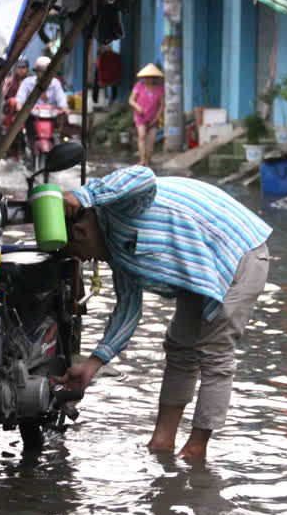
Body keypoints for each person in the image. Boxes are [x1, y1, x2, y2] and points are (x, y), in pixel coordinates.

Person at [57, 165, 272, 460]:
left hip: (238, 250)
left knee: (214, 354)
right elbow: (127, 311)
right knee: (180, 348)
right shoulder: (116, 253)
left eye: (77, 250)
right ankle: (162, 442)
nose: (84, 259)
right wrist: (92, 365)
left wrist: (85, 194)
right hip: (201, 267)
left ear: (81, 229)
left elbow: (143, 177)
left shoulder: (121, 206)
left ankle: (196, 450)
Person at [128, 64, 165, 167]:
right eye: (147, 77)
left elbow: (162, 105)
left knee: (151, 140)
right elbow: (131, 100)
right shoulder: (138, 86)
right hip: (140, 116)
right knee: (142, 136)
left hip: (153, 117)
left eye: (151, 77)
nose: (149, 79)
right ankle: (142, 160)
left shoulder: (160, 89)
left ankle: (147, 161)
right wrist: (137, 107)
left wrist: (156, 118)